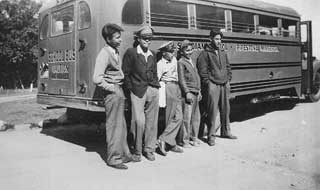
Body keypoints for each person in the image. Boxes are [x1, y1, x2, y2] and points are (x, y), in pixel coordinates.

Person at [92, 23, 138, 170]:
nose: (120, 40)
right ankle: (114, 159)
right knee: (114, 127)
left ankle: (125, 154)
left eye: (120, 37)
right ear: (108, 38)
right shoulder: (104, 53)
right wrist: (112, 88)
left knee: (122, 126)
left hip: (119, 91)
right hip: (113, 93)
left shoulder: (114, 51)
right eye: (117, 37)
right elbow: (97, 78)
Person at [122, 26, 160, 161]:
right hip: (137, 91)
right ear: (138, 38)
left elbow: (154, 72)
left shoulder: (153, 54)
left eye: (149, 38)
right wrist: (131, 89)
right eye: (144, 38)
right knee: (139, 122)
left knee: (152, 122)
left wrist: (155, 88)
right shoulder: (131, 53)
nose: (147, 40)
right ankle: (137, 151)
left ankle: (149, 149)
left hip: (153, 90)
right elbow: (125, 74)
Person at [197, 29, 237, 146]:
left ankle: (226, 132)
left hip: (224, 84)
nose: (219, 41)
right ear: (210, 39)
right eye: (216, 39)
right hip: (213, 85)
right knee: (212, 111)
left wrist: (228, 78)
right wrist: (208, 83)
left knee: (226, 109)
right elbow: (202, 71)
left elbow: (228, 67)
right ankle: (211, 136)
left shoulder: (222, 52)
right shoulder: (205, 53)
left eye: (220, 39)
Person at [157, 41, 184, 156]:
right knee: (169, 116)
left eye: (173, 51)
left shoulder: (174, 60)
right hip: (167, 87)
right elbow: (157, 80)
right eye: (169, 52)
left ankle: (165, 139)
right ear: (163, 53)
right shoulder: (160, 64)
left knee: (179, 116)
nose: (172, 54)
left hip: (176, 87)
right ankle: (169, 143)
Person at [177, 40, 202, 147]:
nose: (189, 52)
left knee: (196, 117)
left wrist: (199, 90)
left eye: (191, 50)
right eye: (187, 50)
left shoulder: (192, 61)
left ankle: (194, 137)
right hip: (189, 92)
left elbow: (196, 76)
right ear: (182, 52)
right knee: (187, 117)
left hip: (196, 92)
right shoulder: (181, 62)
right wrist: (186, 92)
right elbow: (181, 79)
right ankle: (184, 140)